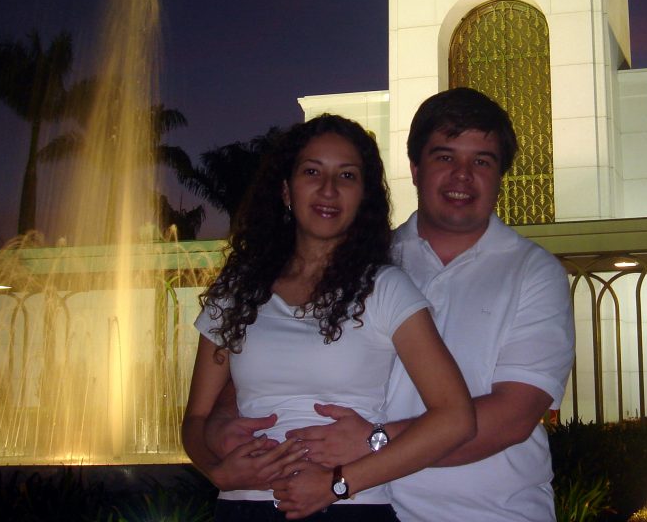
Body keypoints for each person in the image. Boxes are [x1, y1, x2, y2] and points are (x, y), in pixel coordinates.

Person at [209, 89, 575, 521]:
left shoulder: (534, 272)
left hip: (493, 511)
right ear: (415, 169)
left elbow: (514, 415)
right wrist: (223, 424)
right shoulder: (363, 261)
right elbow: (271, 355)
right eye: (444, 157)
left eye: (482, 161)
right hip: (372, 507)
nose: (462, 176)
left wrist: (374, 441)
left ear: (500, 176)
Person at [183, 114, 476, 521]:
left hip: (347, 508)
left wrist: (338, 483)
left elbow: (456, 418)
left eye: (347, 176)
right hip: (243, 508)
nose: (328, 189)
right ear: (286, 190)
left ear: (363, 197)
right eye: (312, 172)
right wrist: (217, 472)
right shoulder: (237, 290)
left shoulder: (384, 288)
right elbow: (196, 420)